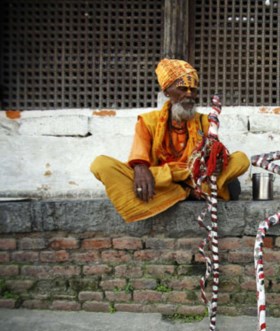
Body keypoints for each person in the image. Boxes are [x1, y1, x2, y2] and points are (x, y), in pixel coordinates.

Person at [91, 59, 249, 223]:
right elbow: (139, 158)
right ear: (167, 91)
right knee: (101, 164)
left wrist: (215, 162)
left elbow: (212, 159)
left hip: (195, 178)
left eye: (193, 90)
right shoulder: (148, 121)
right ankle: (187, 191)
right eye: (182, 88)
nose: (189, 94)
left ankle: (187, 190)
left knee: (241, 159)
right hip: (159, 182)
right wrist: (139, 167)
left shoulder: (205, 122)